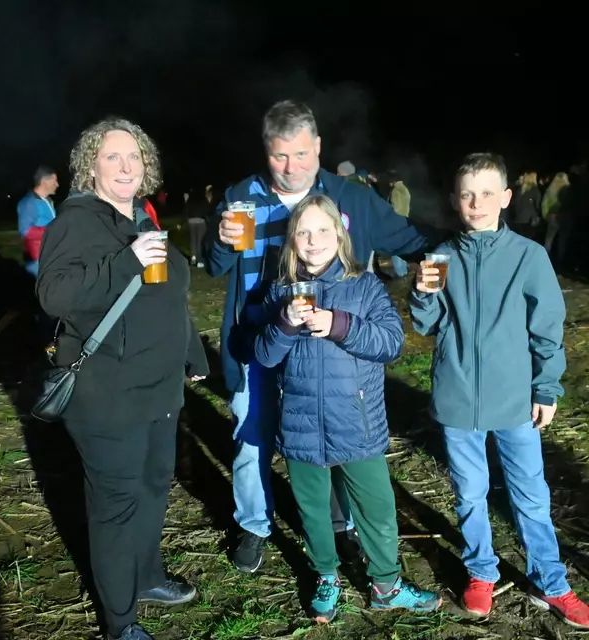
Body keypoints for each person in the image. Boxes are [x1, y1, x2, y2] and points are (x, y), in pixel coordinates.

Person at [203, 100, 430, 573]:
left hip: (324, 349)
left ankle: (341, 527)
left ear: (319, 147)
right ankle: (254, 524)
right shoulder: (242, 196)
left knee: (333, 436)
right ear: (266, 151)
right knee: (251, 436)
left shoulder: (350, 197)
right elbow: (215, 265)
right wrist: (220, 240)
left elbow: (410, 238)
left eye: (302, 154)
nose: (292, 167)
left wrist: (465, 242)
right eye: (280, 156)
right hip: (260, 342)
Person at [36, 118, 209, 640]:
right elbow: (54, 296)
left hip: (159, 387)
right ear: (90, 166)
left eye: (133, 155)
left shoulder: (140, 216)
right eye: (112, 156)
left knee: (154, 487)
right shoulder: (76, 221)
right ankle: (120, 622)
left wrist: (192, 352)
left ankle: (147, 577)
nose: (125, 165)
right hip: (107, 394)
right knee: (116, 504)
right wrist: (125, 262)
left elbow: (169, 294)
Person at [410, 152, 589, 628]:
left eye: (487, 193)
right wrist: (422, 292)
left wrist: (546, 387)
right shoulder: (441, 257)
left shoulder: (529, 256)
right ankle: (481, 571)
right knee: (469, 493)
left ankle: (550, 581)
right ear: (455, 200)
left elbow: (547, 328)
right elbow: (427, 324)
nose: (477, 202)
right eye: (467, 194)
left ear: (506, 197)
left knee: (530, 494)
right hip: (458, 397)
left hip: (515, 399)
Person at [255, 194, 442, 622]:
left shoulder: (365, 286)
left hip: (357, 423)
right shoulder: (281, 291)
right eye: (304, 232)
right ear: (292, 241)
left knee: (377, 508)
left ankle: (386, 584)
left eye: (323, 230)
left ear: (339, 236)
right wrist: (285, 324)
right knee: (313, 511)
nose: (314, 240)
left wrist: (340, 325)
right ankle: (326, 576)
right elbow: (264, 355)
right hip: (301, 424)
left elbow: (391, 343)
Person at [17, 166, 59, 276]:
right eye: (54, 181)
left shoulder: (48, 201)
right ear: (45, 181)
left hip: (51, 257)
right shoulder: (29, 202)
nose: (57, 184)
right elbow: (25, 231)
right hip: (38, 261)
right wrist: (52, 230)